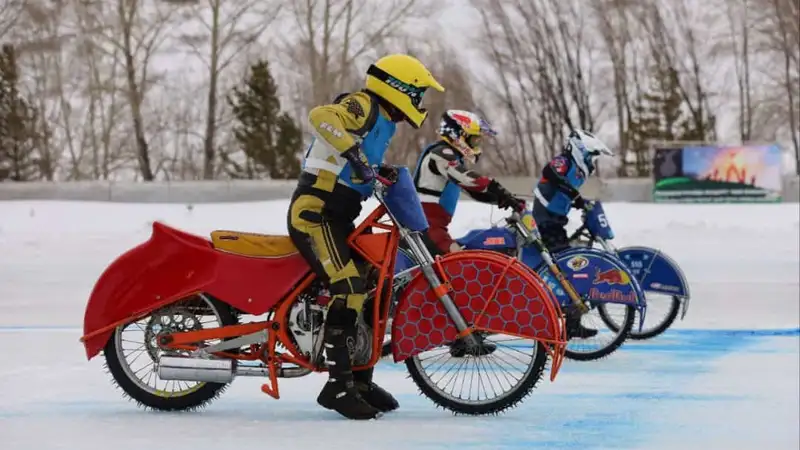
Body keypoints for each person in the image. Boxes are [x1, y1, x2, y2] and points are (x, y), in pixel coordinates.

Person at [286, 53, 444, 421]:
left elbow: (359, 166)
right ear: (400, 89)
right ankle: (337, 386)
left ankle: (360, 378)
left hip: (341, 217)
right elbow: (320, 117)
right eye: (417, 94)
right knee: (349, 286)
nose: (419, 104)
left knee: (375, 287)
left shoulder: (384, 123)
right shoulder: (362, 106)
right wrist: (354, 153)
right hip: (316, 213)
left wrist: (376, 168)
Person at [531, 129, 614, 338]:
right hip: (545, 221)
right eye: (590, 156)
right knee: (565, 267)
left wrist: (578, 201)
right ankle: (560, 322)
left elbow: (566, 190)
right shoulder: (563, 161)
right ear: (579, 150)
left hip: (555, 222)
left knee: (568, 266)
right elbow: (550, 172)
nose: (592, 161)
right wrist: (573, 194)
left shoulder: (576, 170)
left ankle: (571, 323)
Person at [413, 109, 526, 256]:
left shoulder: (451, 157)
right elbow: (467, 178)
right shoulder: (441, 153)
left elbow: (474, 191)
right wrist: (495, 187)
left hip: (433, 226)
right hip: (425, 227)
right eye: (474, 140)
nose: (476, 145)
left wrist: (505, 199)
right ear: (459, 135)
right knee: (457, 262)